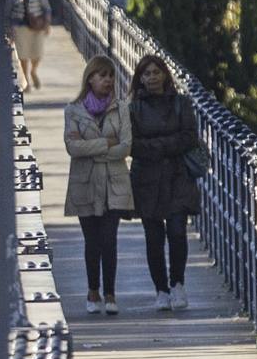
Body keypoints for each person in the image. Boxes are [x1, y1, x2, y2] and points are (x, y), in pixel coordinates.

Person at [128, 54, 201, 311]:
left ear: (165, 75)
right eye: (146, 73)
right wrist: (168, 144)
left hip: (177, 177)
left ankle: (177, 283)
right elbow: (132, 145)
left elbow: (190, 137)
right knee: (154, 237)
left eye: (156, 72)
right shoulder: (133, 108)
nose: (151, 77)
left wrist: (156, 146)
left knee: (178, 232)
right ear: (140, 78)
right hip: (146, 180)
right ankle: (161, 289)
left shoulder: (182, 103)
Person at [63, 56, 134, 316]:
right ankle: (93, 291)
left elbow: (126, 146)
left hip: (114, 183)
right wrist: (105, 144)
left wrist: (91, 148)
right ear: (89, 79)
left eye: (111, 75)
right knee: (92, 241)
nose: (108, 80)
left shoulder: (121, 108)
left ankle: (111, 293)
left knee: (109, 240)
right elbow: (72, 147)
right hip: (86, 185)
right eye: (102, 75)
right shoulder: (73, 110)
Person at [3, 0, 51, 90]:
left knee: (37, 53)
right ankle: (25, 80)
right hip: (19, 25)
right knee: (22, 55)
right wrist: (8, 31)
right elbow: (8, 11)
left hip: (36, 25)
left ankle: (33, 71)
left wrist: (47, 23)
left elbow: (46, 6)